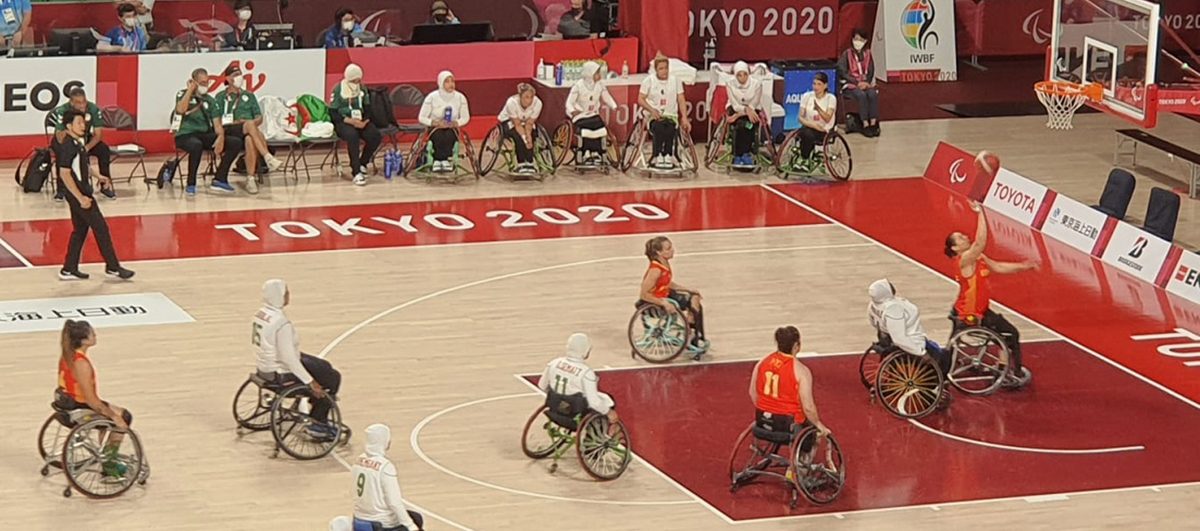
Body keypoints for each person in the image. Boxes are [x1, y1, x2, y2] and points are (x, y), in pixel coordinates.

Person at [944, 202, 1037, 387]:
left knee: (952, 347)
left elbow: (998, 266)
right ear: (955, 248)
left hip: (976, 309)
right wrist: (981, 213)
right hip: (970, 315)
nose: (964, 236)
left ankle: (945, 369)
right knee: (1010, 334)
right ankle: (1010, 372)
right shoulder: (964, 260)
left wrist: (1024, 266)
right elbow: (980, 242)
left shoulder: (977, 257)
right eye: (960, 238)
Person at [253, 279, 344, 440]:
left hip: (265, 366)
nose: (289, 295)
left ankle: (316, 406)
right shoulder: (281, 323)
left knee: (324, 366)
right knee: (332, 378)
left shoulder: (261, 314)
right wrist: (310, 382)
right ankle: (318, 423)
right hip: (282, 370)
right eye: (286, 292)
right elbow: (289, 358)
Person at [55, 109, 134, 281]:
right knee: (101, 228)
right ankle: (113, 267)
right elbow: (64, 173)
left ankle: (68, 269)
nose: (83, 126)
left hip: (80, 192)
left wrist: (98, 176)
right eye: (79, 123)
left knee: (80, 230)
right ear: (69, 126)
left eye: (83, 122)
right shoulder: (68, 146)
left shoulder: (77, 143)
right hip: (79, 193)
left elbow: (82, 165)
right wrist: (80, 197)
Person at [55, 320, 135, 478]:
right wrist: (113, 416)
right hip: (80, 406)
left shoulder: (67, 355)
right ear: (84, 340)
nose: (95, 335)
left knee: (116, 412)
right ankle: (109, 465)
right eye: (92, 333)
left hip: (68, 402)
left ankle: (108, 455)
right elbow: (92, 401)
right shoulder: (81, 363)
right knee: (124, 417)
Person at [748, 326, 830, 438]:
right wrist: (818, 424)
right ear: (796, 346)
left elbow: (753, 393)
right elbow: (808, 408)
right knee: (814, 431)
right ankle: (806, 454)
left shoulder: (761, 363)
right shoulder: (801, 371)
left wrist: (768, 410)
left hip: (762, 419)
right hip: (788, 423)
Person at [173, 67, 244, 195]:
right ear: (193, 82)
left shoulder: (210, 100)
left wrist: (220, 137)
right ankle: (191, 183)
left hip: (204, 134)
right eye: (202, 83)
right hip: (185, 135)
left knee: (235, 142)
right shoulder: (182, 94)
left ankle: (220, 179)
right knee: (196, 145)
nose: (205, 86)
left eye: (207, 82)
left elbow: (217, 124)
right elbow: (180, 110)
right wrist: (190, 90)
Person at [215, 64, 282, 194]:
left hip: (247, 130)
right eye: (235, 75)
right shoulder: (220, 96)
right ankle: (267, 156)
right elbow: (217, 119)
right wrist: (238, 122)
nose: (239, 78)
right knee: (250, 125)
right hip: (229, 129)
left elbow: (259, 118)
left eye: (240, 74)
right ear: (228, 79)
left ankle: (250, 179)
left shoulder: (249, 96)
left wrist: (249, 122)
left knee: (250, 139)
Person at [640, 236, 708, 358]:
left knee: (695, 297)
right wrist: (663, 303)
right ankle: (692, 335)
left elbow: (666, 282)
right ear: (659, 252)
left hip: (665, 294)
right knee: (693, 303)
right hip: (655, 301)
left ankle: (692, 332)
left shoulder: (664, 264)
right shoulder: (655, 270)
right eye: (668, 248)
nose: (672, 250)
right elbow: (644, 294)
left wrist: (686, 289)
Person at [867, 279, 951, 376]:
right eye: (889, 285)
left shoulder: (873, 305)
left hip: (888, 340)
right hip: (912, 343)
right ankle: (934, 385)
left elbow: (873, 322)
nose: (892, 286)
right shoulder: (893, 309)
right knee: (944, 357)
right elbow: (900, 339)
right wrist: (921, 353)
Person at [352, 424, 425, 531]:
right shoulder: (385, 467)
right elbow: (394, 502)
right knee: (416, 519)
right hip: (382, 523)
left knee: (414, 515)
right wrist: (410, 526)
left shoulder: (358, 461)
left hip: (359, 517)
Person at [537, 333, 620, 427]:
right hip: (575, 413)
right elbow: (594, 402)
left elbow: (542, 385)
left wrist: (559, 397)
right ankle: (595, 435)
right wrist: (609, 412)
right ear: (585, 351)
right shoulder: (586, 372)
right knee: (606, 400)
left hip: (555, 409)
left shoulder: (553, 363)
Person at [53, 87, 115, 201]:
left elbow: (98, 135)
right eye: (78, 103)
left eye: (84, 102)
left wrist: (85, 148)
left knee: (104, 150)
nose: (82, 106)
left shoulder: (93, 109)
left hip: (85, 138)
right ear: (71, 102)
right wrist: (72, 138)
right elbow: (59, 136)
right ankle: (61, 189)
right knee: (62, 152)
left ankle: (105, 185)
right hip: (67, 139)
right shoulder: (62, 111)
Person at [330, 64, 381, 186]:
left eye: (359, 79)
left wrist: (364, 121)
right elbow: (333, 113)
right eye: (354, 80)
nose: (357, 82)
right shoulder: (338, 89)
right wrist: (349, 121)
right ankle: (356, 171)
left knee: (375, 136)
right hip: (344, 122)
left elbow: (368, 107)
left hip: (360, 121)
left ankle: (363, 162)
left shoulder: (362, 88)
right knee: (352, 136)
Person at [637, 53, 690, 170]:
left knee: (670, 128)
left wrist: (684, 118)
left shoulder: (675, 81)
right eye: (661, 68)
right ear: (656, 69)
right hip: (653, 116)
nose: (664, 71)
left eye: (666, 68)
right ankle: (657, 155)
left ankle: (668, 154)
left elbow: (681, 99)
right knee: (659, 127)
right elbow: (640, 99)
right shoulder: (648, 81)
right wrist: (652, 110)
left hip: (671, 116)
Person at [565, 61, 616, 166]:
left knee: (600, 127)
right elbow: (569, 102)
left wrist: (613, 105)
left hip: (593, 114)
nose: (599, 75)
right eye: (597, 73)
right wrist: (572, 110)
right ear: (590, 73)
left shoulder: (600, 85)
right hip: (580, 115)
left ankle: (596, 152)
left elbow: (606, 96)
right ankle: (586, 152)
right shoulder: (578, 86)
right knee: (587, 129)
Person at [418, 70, 470, 173]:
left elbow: (465, 117)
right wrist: (435, 123)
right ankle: (438, 160)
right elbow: (422, 117)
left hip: (451, 126)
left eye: (452, 81)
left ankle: (445, 160)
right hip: (435, 127)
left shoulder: (460, 97)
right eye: (447, 81)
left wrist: (456, 123)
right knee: (438, 134)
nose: (451, 84)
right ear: (441, 83)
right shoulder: (432, 97)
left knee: (450, 134)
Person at [837, 28, 880, 137]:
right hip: (851, 85)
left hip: (865, 83)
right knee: (861, 95)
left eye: (860, 39)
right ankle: (865, 124)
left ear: (865, 41)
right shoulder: (847, 54)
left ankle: (873, 123)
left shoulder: (868, 54)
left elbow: (870, 71)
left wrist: (866, 82)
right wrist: (856, 83)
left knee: (872, 94)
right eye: (856, 39)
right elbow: (842, 71)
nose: (858, 42)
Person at [497, 83, 543, 175]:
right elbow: (517, 124)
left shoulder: (538, 103)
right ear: (520, 96)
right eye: (526, 97)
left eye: (531, 97)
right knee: (518, 136)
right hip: (509, 121)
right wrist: (525, 139)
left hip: (526, 122)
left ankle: (529, 162)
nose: (529, 100)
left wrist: (528, 137)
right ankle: (521, 163)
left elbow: (529, 123)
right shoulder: (511, 102)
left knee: (533, 135)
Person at [725, 61, 764, 169]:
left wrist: (743, 112)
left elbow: (755, 103)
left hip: (752, 109)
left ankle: (745, 153)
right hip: (735, 109)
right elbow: (734, 104)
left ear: (748, 74)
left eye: (745, 74)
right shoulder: (729, 84)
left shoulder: (757, 84)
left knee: (749, 125)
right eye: (739, 75)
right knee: (741, 125)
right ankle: (738, 154)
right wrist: (743, 111)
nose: (742, 78)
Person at [796, 72, 836, 172]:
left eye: (819, 84)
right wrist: (813, 125)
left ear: (825, 85)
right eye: (814, 84)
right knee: (805, 133)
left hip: (824, 130)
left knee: (807, 134)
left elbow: (827, 118)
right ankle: (804, 158)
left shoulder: (831, 98)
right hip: (809, 127)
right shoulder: (807, 96)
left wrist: (818, 109)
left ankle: (804, 159)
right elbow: (800, 117)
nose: (816, 87)